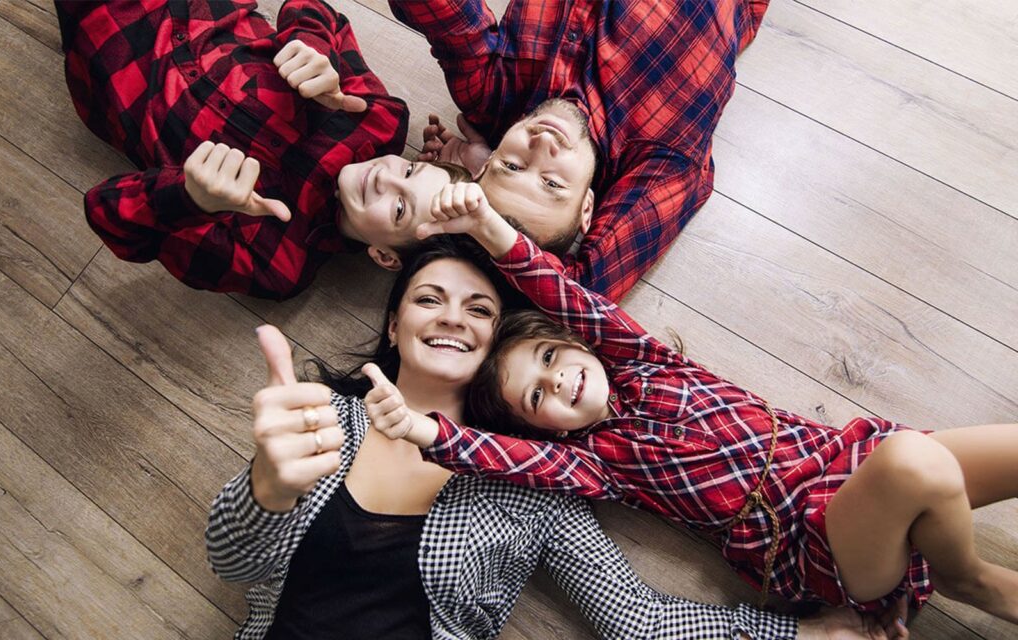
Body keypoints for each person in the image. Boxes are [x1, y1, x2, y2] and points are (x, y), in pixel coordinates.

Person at [368, 183, 1018, 623]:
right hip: (811, 543)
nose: (557, 382)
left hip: (843, 459)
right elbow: (507, 458)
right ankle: (970, 581)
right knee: (912, 463)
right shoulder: (598, 466)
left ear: (575, 343)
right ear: (546, 430)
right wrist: (424, 429)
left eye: (549, 360)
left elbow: (566, 297)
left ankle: (938, 554)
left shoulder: (648, 362)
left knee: (951, 459)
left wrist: (487, 224)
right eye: (536, 397)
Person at [206, 237, 905, 639]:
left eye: (478, 307)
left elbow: (635, 619)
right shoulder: (321, 415)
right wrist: (266, 488)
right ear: (393, 326)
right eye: (427, 298)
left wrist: (800, 634)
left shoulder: (540, 481)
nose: (453, 317)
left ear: (499, 341)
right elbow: (231, 566)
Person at [55, 0, 469, 300]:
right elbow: (313, 10)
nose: (387, 175)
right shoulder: (377, 120)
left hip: (104, 39)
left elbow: (105, 211)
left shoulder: (274, 263)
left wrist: (189, 197)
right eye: (411, 172)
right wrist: (314, 46)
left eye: (399, 208)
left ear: (384, 256)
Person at [391, 0, 769, 301]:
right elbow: (585, 292)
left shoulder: (493, 98)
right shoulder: (663, 156)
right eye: (552, 184)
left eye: (511, 165)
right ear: (587, 207)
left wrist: (474, 172)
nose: (542, 144)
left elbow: (449, 17)